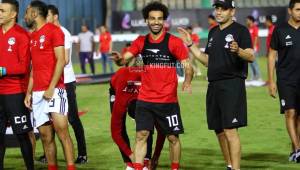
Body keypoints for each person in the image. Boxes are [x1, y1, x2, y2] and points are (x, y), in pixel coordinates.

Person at [111, 2, 193, 170]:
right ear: (146, 21)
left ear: (164, 21)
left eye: (159, 19)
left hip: (168, 100)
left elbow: (188, 66)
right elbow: (125, 59)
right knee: (141, 135)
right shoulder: (140, 41)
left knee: (173, 138)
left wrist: (187, 81)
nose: (156, 22)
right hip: (145, 99)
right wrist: (119, 59)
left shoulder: (174, 42)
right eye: (152, 19)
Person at [178, 0, 254, 169]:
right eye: (217, 8)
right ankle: (229, 165)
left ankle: (236, 168)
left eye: (224, 9)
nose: (219, 12)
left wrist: (239, 51)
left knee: (230, 130)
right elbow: (207, 61)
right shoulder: (213, 32)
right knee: (218, 129)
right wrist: (191, 45)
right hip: (213, 85)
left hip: (232, 84)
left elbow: (251, 56)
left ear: (232, 11)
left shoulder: (241, 31)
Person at [23, 1, 75, 170]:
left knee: (62, 132)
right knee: (45, 137)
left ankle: (70, 167)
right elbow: (33, 69)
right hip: (37, 94)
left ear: (34, 14)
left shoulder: (55, 31)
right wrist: (28, 93)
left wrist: (52, 87)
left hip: (55, 90)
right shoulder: (32, 36)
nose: (24, 16)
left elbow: (61, 60)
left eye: (26, 12)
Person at [46, 4, 88, 164]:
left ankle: (83, 153)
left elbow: (66, 59)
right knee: (52, 119)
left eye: (48, 15)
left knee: (73, 118)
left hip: (67, 82)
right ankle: (49, 154)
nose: (46, 18)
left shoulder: (64, 33)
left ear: (55, 16)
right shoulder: (49, 33)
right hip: (53, 82)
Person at [0, 0, 34, 169]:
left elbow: (23, 67)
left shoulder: (22, 35)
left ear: (13, 14)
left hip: (15, 93)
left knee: (22, 135)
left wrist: (3, 71)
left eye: (2, 11)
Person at [267, 0, 300, 163]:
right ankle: (299, 149)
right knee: (290, 112)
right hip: (286, 79)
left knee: (299, 117)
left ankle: (294, 150)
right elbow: (272, 55)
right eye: (298, 9)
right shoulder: (280, 30)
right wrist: (271, 81)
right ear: (290, 11)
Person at [245, 15, 264, 87]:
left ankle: (259, 77)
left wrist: (255, 47)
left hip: (253, 49)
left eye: (247, 20)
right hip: (248, 49)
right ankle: (253, 77)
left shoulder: (255, 28)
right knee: (250, 64)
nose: (246, 21)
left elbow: (256, 37)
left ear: (251, 20)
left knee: (255, 63)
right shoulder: (248, 28)